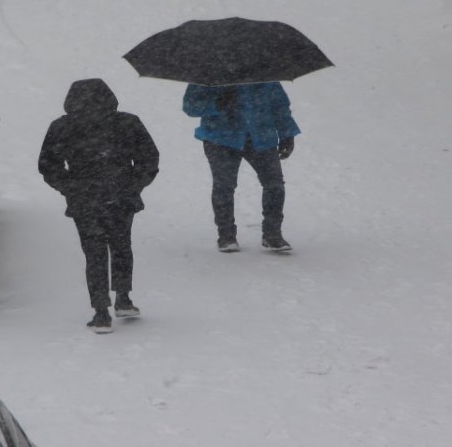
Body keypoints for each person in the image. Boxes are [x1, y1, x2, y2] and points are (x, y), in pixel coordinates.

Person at [39, 79, 159, 334]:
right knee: (122, 246)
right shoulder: (127, 123)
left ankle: (101, 312)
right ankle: (123, 298)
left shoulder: (62, 127)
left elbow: (48, 165)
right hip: (121, 197)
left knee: (94, 254)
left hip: (84, 200)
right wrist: (134, 184)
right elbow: (149, 158)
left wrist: (69, 187)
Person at [182, 82, 299, 253]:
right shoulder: (210, 73)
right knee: (224, 185)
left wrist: (287, 134)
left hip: (261, 136)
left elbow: (280, 104)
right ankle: (226, 236)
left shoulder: (264, 71)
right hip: (220, 138)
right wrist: (217, 103)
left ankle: (272, 235)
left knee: (274, 184)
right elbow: (190, 106)